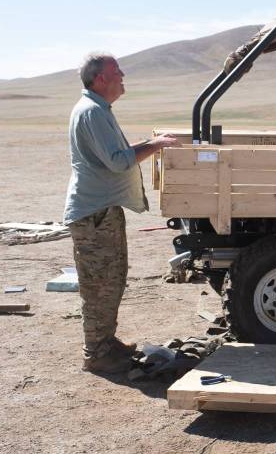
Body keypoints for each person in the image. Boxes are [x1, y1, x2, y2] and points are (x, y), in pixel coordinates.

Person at [63, 53, 177, 374]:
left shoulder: (98, 110)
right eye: (117, 71)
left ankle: (105, 342)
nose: (123, 74)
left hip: (101, 211)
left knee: (112, 278)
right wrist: (155, 145)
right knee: (99, 282)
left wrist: (153, 142)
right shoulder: (92, 112)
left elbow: (118, 154)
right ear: (100, 79)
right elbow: (118, 160)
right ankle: (96, 353)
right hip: (94, 215)